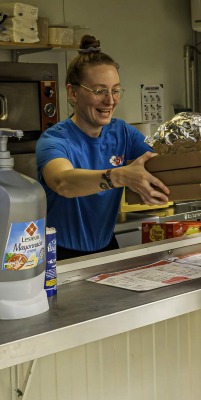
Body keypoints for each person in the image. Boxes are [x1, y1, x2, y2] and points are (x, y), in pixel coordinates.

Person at [36, 36, 169, 260]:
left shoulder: (123, 133)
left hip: (106, 246)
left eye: (115, 90)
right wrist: (118, 176)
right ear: (73, 93)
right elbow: (63, 182)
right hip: (58, 254)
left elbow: (161, 165)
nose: (110, 101)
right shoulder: (54, 140)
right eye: (99, 91)